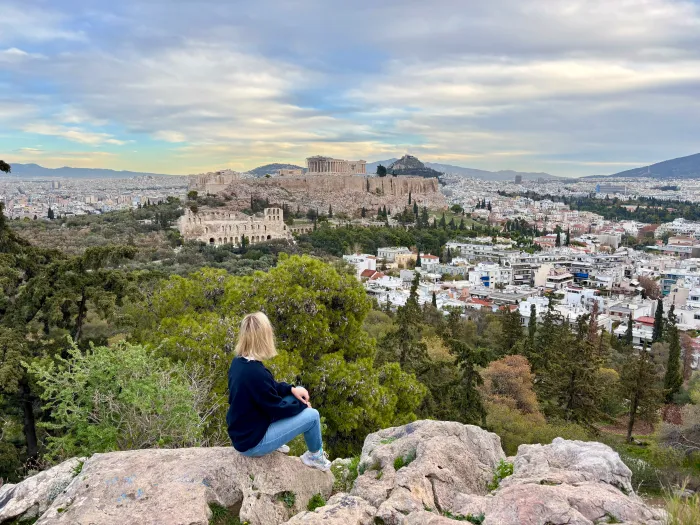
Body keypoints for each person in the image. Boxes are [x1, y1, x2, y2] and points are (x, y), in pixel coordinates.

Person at [226, 311, 331, 471]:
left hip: (243, 432)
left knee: (291, 398)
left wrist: (292, 389)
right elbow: (277, 408)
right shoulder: (256, 373)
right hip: (253, 443)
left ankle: (277, 440)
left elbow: (269, 388)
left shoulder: (239, 363)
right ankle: (315, 456)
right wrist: (303, 406)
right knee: (312, 417)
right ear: (264, 337)